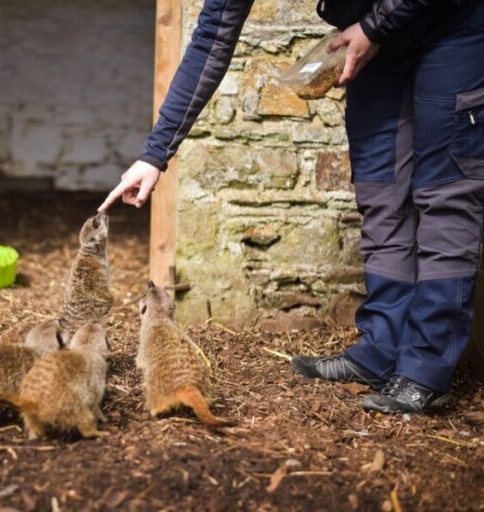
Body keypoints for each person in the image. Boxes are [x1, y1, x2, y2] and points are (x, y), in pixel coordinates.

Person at [99, 0, 484, 414]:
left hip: (453, 27)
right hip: (376, 43)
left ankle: (425, 368)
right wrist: (155, 154)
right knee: (380, 194)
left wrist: (373, 27)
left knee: (445, 196)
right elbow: (212, 38)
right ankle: (382, 349)